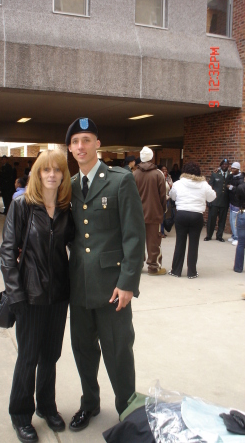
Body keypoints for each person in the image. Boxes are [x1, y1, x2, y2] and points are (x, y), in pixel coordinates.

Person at [66, 117, 145, 431]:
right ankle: (90, 404)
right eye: (75, 142)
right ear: (70, 148)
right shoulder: (69, 186)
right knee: (83, 351)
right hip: (79, 287)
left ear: (98, 144)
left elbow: (134, 236)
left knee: (118, 350)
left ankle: (128, 408)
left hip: (113, 287)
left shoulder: (120, 180)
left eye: (87, 139)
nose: (81, 146)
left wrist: (128, 283)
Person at [0, 149, 74, 443]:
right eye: (46, 170)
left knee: (50, 356)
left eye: (58, 170)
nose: (52, 174)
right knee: (28, 357)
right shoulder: (23, 206)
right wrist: (15, 293)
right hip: (29, 295)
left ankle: (46, 406)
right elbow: (7, 252)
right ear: (37, 174)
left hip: (58, 295)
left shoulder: (68, 208)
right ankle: (20, 414)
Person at [168, 162, 216, 278]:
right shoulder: (204, 184)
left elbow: (172, 196)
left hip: (182, 214)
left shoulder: (178, 183)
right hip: (196, 215)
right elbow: (212, 197)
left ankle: (176, 270)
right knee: (194, 244)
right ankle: (192, 272)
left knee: (180, 242)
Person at [133, 146, 167, 275]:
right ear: (151, 157)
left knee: (138, 241)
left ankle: (137, 266)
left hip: (137, 215)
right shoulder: (158, 174)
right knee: (154, 242)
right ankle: (154, 267)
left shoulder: (134, 174)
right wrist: (162, 210)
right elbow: (163, 195)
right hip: (154, 213)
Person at [205, 158, 231, 242]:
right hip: (214, 201)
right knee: (211, 219)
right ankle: (209, 235)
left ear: (228, 166)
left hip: (225, 201)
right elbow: (210, 187)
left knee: (222, 220)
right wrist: (208, 200)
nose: (224, 166)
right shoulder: (215, 174)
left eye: (226, 164)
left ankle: (219, 236)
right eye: (223, 164)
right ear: (221, 165)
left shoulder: (230, 175)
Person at [227, 162, 244, 246]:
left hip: (237, 202)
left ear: (238, 169)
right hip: (232, 201)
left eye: (234, 169)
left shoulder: (240, 178)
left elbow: (240, 190)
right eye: (232, 168)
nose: (232, 170)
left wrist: (231, 187)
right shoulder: (233, 176)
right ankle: (234, 236)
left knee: (234, 221)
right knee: (231, 219)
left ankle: (237, 238)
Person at [233, 182, 245, 274]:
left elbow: (237, 199)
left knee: (241, 243)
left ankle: (238, 267)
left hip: (243, 212)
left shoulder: (240, 187)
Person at [160, 165, 173, 238]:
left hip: (167, 198)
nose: (164, 170)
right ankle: (161, 232)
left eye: (165, 169)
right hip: (161, 199)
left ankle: (162, 231)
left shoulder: (169, 177)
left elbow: (171, 185)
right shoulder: (159, 176)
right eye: (163, 169)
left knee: (165, 216)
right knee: (162, 216)